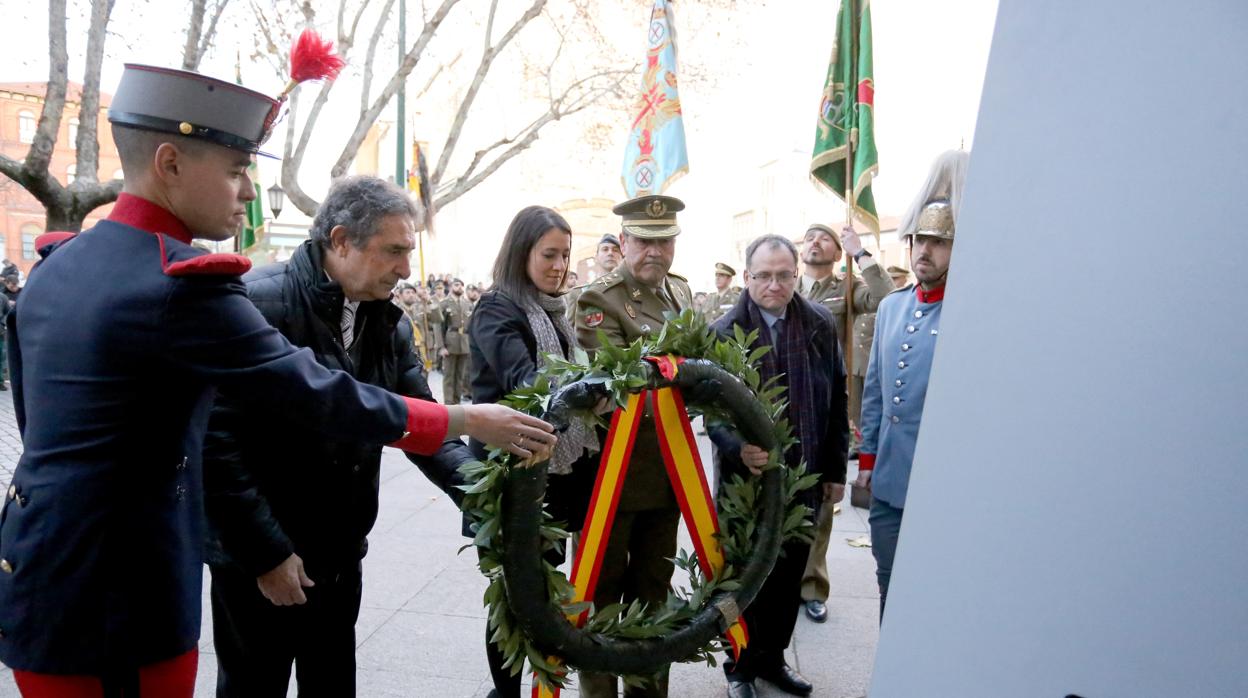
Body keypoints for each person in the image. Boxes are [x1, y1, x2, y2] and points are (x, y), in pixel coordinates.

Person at [0, 64, 555, 697]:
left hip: (41, 569)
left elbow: (31, 419)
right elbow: (312, 392)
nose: (246, 194)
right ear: (170, 162)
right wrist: (466, 419)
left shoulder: (57, 263)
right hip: (126, 587)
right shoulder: (182, 287)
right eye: (236, 171)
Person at [202, 176, 479, 696]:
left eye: (408, 252)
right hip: (261, 559)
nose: (405, 268)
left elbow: (420, 422)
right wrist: (266, 555)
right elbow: (216, 444)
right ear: (342, 240)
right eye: (394, 251)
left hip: (340, 553)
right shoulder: (257, 305)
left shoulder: (386, 322)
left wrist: (485, 492)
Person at [468, 205, 601, 698]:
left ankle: (537, 683)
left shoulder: (556, 313)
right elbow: (524, 383)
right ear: (522, 251)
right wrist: (589, 389)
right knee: (513, 594)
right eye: (549, 254)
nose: (559, 266)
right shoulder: (498, 308)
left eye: (565, 255)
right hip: (512, 476)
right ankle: (504, 692)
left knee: (544, 586)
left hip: (554, 473)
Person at [710, 235, 849, 698]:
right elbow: (712, 413)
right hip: (745, 483)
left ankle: (771, 660)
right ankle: (739, 667)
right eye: (764, 275)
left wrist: (834, 471)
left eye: (784, 275)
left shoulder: (818, 323)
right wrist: (736, 447)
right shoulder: (723, 331)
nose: (774, 284)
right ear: (747, 277)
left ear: (796, 276)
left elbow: (837, 398)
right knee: (744, 578)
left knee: (789, 577)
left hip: (803, 475)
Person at [574, 195, 692, 698]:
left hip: (668, 478)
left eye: (664, 241)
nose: (655, 252)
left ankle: (647, 692)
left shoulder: (682, 294)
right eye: (644, 240)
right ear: (623, 242)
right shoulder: (599, 299)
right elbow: (615, 388)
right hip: (612, 480)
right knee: (599, 600)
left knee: (653, 598)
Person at [860, 151, 965, 618]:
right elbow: (877, 394)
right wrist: (867, 463)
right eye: (919, 240)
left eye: (939, 242)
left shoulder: (968, 308)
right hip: (889, 479)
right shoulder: (892, 307)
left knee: (937, 596)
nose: (924, 250)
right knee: (888, 583)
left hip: (945, 482)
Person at [794, 222, 896, 624]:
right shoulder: (785, 280)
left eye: (826, 240)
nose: (814, 242)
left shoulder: (848, 288)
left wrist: (862, 253)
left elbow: (887, 297)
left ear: (838, 254)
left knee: (821, 499)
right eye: (809, 237)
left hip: (822, 403)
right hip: (780, 399)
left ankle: (812, 585)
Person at [564, 233, 622, 322]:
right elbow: (570, 332)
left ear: (621, 257)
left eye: (615, 250)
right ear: (596, 257)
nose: (610, 253)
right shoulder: (579, 294)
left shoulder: (632, 291)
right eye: (605, 249)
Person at [440, 278, 473, 403]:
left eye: (461, 285)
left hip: (464, 343)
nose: (460, 287)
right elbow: (439, 327)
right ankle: (449, 404)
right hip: (450, 342)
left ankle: (457, 402)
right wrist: (441, 346)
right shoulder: (444, 304)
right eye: (457, 285)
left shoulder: (466, 304)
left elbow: (470, 326)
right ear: (451, 287)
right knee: (449, 376)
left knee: (460, 376)